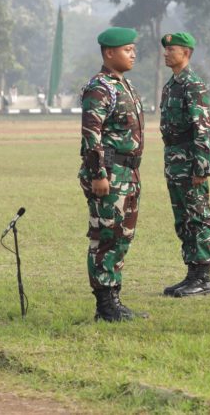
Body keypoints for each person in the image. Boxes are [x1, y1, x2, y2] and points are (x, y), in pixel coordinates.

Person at [79, 27, 145, 322]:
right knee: (106, 235)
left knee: (122, 237)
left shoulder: (123, 85)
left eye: (133, 49)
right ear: (109, 53)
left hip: (127, 173)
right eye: (127, 49)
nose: (133, 54)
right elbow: (91, 135)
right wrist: (98, 174)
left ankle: (114, 300)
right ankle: (105, 306)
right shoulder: (100, 87)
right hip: (109, 173)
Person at [159, 32, 210, 297]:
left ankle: (203, 277)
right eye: (166, 49)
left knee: (198, 217)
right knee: (182, 218)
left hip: (190, 158)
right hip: (174, 158)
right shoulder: (171, 84)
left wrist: (201, 167)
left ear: (187, 53)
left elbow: (202, 127)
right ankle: (191, 273)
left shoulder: (192, 84)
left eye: (173, 49)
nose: (167, 53)